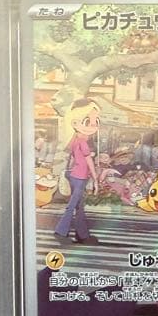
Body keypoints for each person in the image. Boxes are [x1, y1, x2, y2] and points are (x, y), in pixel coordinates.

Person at [54, 98, 100, 245]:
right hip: (80, 177)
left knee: (79, 207)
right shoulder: (83, 143)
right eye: (87, 121)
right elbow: (89, 162)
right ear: (75, 123)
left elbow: (75, 159)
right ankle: (61, 231)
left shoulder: (74, 141)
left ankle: (82, 234)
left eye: (96, 121)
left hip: (75, 175)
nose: (93, 126)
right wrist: (96, 180)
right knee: (73, 205)